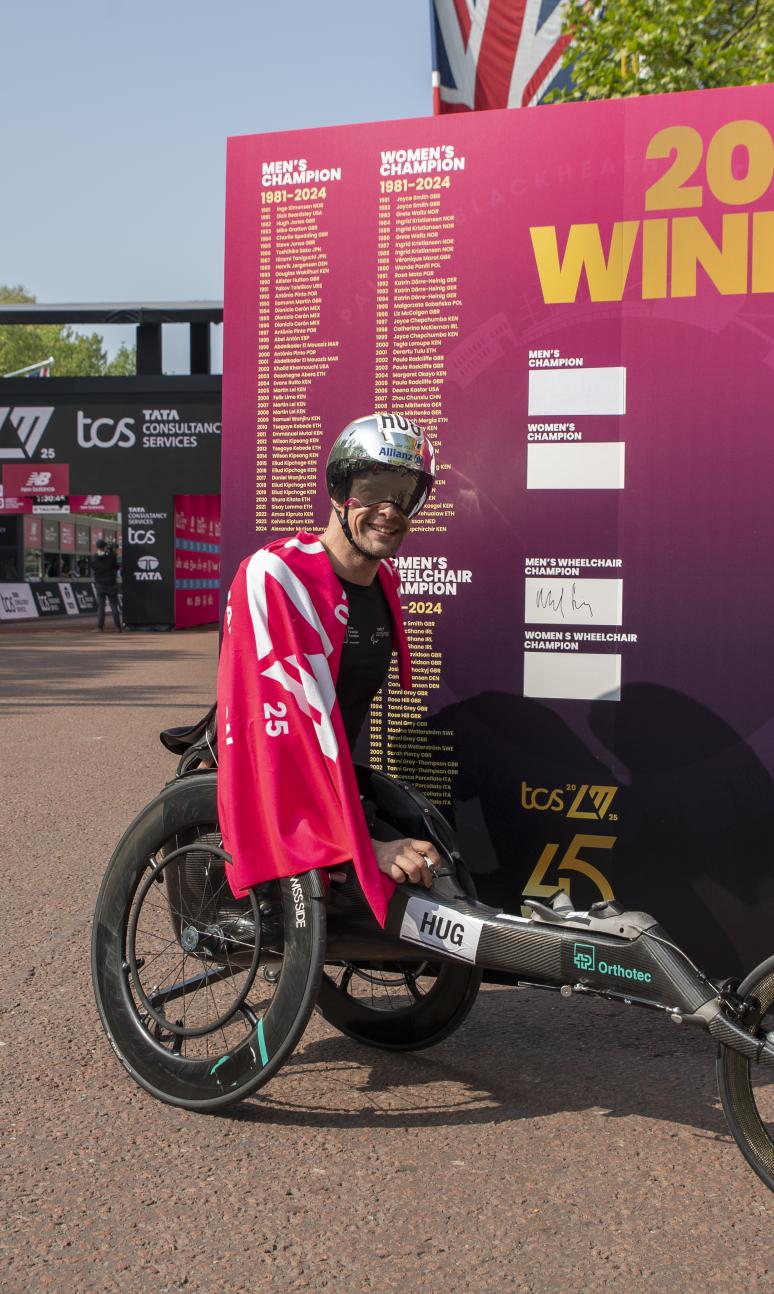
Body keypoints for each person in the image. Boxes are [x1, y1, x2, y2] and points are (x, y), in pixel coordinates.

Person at [217, 413, 443, 926]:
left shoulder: (385, 580)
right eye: (374, 490)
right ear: (340, 492)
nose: (390, 510)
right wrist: (362, 843)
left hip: (332, 795)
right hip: (274, 789)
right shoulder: (275, 575)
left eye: (405, 495)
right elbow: (284, 734)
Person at [91, 538, 122, 632]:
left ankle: (100, 627)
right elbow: (116, 567)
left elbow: (94, 568)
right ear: (104, 546)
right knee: (113, 606)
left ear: (97, 547)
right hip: (111, 583)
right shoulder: (111, 557)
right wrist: (112, 553)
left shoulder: (94, 558)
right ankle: (118, 627)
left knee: (101, 606)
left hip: (100, 584)